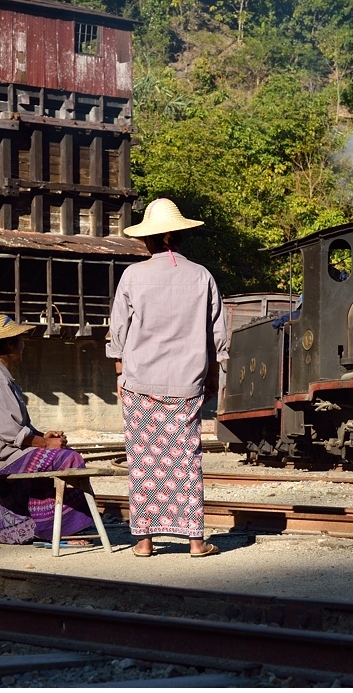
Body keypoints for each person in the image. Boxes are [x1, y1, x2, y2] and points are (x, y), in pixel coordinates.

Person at [107, 198, 229, 558]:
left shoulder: (132, 276)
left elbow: (119, 330)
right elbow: (216, 333)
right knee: (186, 458)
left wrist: (119, 370)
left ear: (153, 238)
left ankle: (144, 541)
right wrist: (213, 376)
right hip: (186, 384)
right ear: (177, 235)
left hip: (139, 382)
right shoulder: (202, 276)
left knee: (142, 461)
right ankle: (194, 541)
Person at [0, 314, 94, 546]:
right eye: (20, 340)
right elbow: (9, 433)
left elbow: (15, 425)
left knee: (59, 455)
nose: (24, 345)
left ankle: (51, 525)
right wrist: (45, 443)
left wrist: (43, 437)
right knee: (69, 459)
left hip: (3, 453)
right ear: (10, 344)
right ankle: (67, 529)